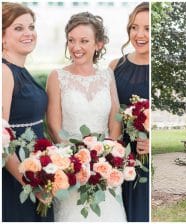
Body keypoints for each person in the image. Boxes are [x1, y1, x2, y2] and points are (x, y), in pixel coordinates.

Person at [46, 12, 125, 221]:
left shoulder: (107, 75)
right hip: (71, 168)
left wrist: (107, 157)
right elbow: (54, 126)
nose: (75, 47)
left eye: (84, 41)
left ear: (98, 44)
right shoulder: (57, 76)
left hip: (105, 169)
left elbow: (115, 119)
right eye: (71, 40)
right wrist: (77, 163)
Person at [2, 2, 54, 222]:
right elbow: (1, 139)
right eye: (18, 28)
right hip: (16, 178)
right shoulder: (4, 72)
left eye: (31, 27)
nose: (28, 33)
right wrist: (29, 183)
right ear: (2, 37)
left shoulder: (20, 71)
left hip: (36, 174)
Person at [109, 2, 149, 222]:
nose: (139, 34)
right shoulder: (115, 66)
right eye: (134, 27)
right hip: (117, 159)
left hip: (146, 160)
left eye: (147, 28)